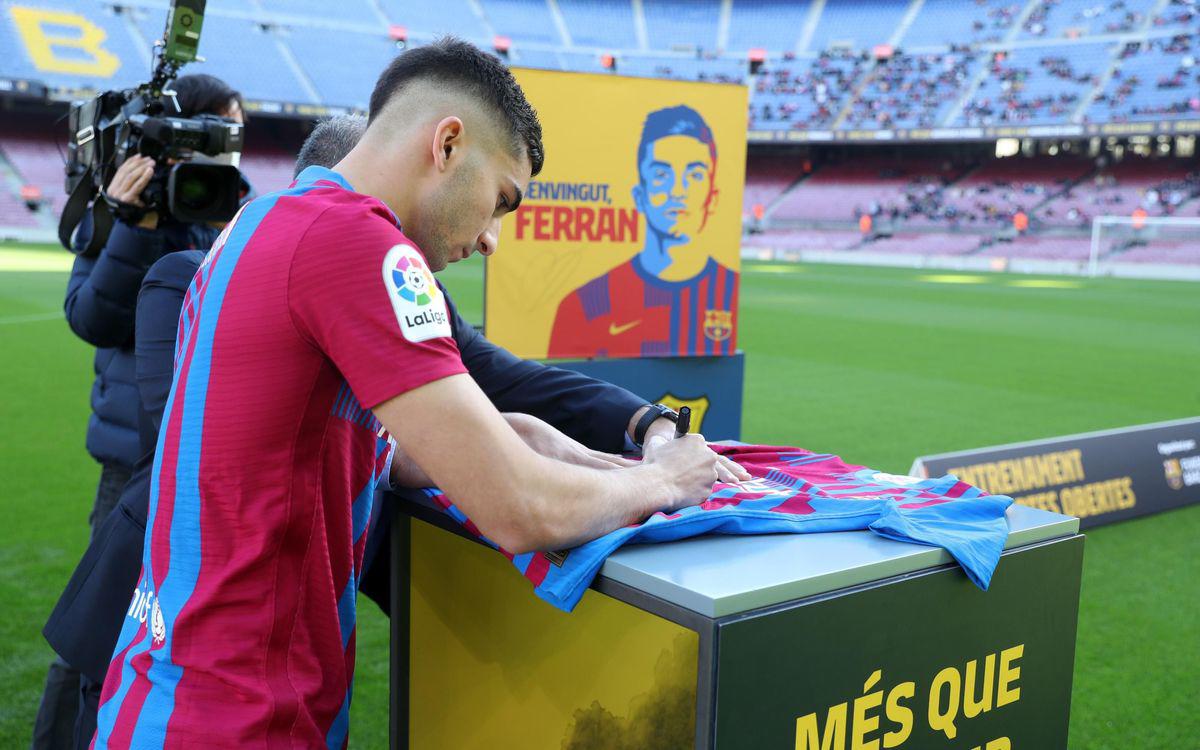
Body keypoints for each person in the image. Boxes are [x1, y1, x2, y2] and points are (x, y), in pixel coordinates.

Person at [91, 39, 742, 748]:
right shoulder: (357, 242)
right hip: (240, 717)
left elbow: (351, 446)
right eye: (500, 201)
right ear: (448, 144)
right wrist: (661, 480)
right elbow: (518, 509)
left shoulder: (259, 225)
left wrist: (545, 444)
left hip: (175, 693)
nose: (493, 238)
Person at [33, 73, 245, 750]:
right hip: (134, 465)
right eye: (213, 135)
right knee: (99, 632)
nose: (226, 153)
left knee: (195, 634)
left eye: (233, 139)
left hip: (210, 459)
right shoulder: (117, 210)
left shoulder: (229, 208)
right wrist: (133, 224)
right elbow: (90, 316)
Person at [547, 105, 739, 358]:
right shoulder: (584, 305)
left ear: (713, 198)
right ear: (639, 196)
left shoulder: (727, 290)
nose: (678, 190)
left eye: (695, 175)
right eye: (661, 174)